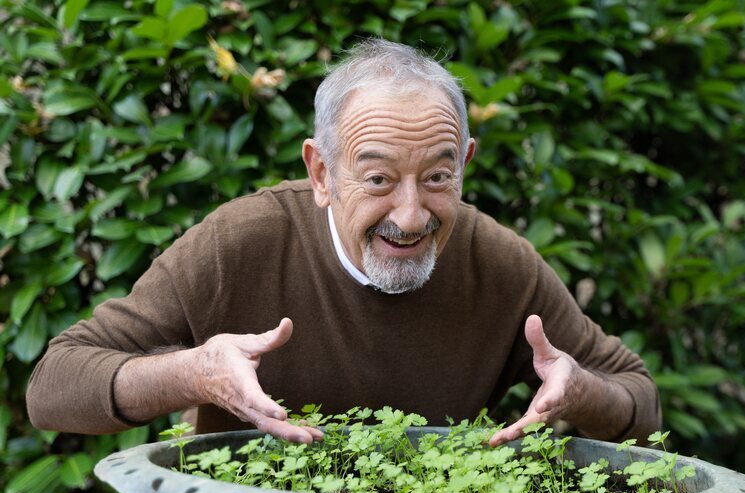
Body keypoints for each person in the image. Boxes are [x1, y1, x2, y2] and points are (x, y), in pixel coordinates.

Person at [26, 37, 660, 452]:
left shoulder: (499, 266)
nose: (411, 216)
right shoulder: (242, 242)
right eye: (378, 178)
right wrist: (196, 374)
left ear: (465, 162)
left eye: (438, 177)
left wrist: (581, 393)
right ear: (322, 173)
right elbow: (52, 386)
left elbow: (639, 398)